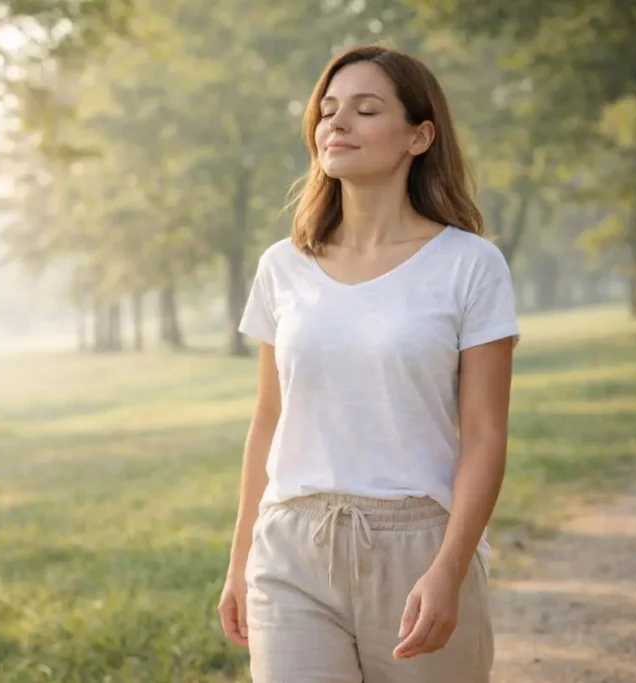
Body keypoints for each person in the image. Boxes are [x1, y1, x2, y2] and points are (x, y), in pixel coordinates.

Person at [216, 43, 520, 682]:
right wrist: (240, 558)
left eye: (365, 109)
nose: (337, 123)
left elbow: (486, 434)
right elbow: (268, 421)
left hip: (418, 545)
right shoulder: (283, 266)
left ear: (419, 135)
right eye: (327, 110)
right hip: (292, 550)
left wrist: (449, 566)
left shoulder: (470, 265)